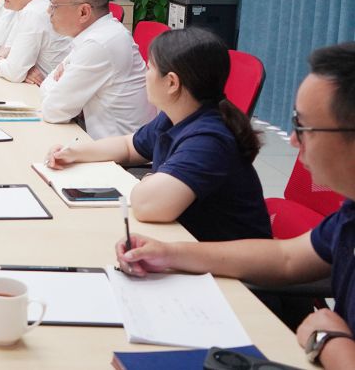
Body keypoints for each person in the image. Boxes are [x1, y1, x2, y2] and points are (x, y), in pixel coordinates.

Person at [115, 43, 355, 368]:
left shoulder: (209, 136)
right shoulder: (349, 213)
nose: (293, 141)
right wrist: (168, 254)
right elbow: (285, 257)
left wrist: (327, 341)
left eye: (303, 127)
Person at [46, 27, 270, 242]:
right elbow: (129, 146)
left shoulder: (208, 140)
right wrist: (76, 152)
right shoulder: (176, 116)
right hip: (187, 240)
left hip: (226, 262)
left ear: (171, 82)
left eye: (149, 68)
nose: (145, 75)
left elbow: (147, 206)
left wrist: (150, 180)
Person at [39, 0, 151, 139]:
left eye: (54, 5)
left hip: (121, 152)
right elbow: (50, 91)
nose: (48, 11)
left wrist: (58, 82)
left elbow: (53, 110)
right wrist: (57, 84)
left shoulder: (100, 43)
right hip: (101, 142)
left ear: (84, 12)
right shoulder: (100, 33)